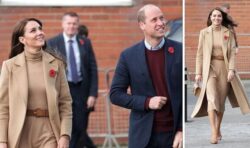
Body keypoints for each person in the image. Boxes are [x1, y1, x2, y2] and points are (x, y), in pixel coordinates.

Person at [110, 4, 182, 148]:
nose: (161, 23)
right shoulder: (128, 56)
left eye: (162, 18)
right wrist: (146, 102)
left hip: (174, 136)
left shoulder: (180, 50)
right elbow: (115, 94)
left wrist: (182, 129)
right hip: (143, 136)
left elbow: (185, 94)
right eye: (154, 20)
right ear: (142, 25)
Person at [0, 18, 72, 148]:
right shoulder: (9, 66)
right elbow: (3, 107)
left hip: (49, 133)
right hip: (18, 134)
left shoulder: (56, 64)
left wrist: (65, 135)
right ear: (22, 40)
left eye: (40, 28)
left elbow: (65, 103)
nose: (40, 32)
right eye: (33, 30)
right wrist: (2, 141)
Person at [191, 7, 250, 144]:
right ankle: (213, 132)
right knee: (212, 99)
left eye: (219, 16)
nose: (216, 18)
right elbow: (199, 54)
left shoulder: (227, 33)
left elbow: (232, 54)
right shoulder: (204, 33)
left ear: (222, 18)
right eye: (214, 16)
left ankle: (218, 128)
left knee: (221, 102)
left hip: (224, 68)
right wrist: (198, 72)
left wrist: (231, 70)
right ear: (210, 18)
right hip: (209, 68)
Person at [47, 12, 98, 148]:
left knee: (80, 127)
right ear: (63, 24)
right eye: (68, 23)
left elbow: (93, 68)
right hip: (63, 91)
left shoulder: (85, 42)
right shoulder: (52, 42)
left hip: (82, 90)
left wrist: (93, 94)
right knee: (67, 127)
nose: (71, 26)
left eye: (74, 23)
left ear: (77, 25)